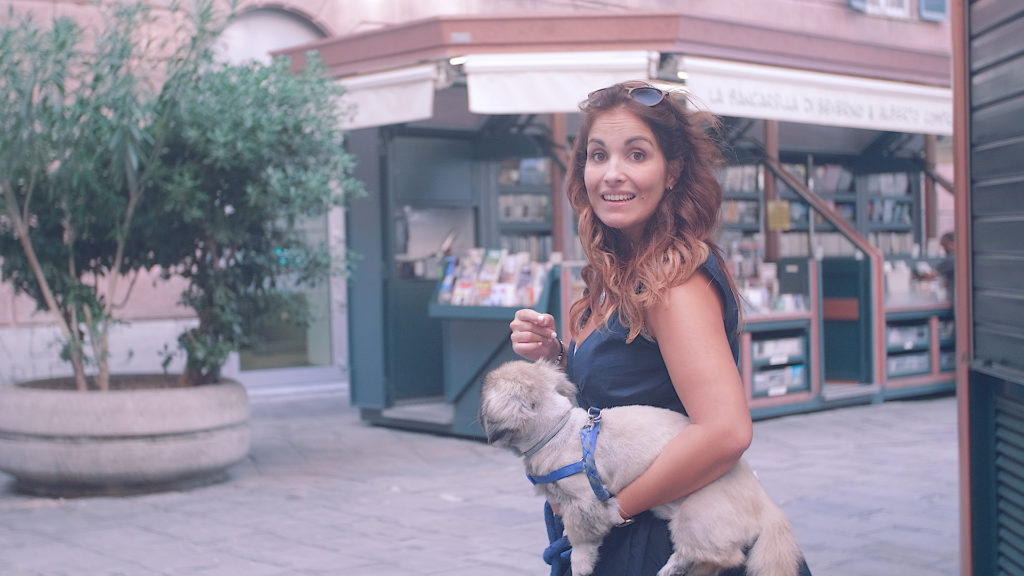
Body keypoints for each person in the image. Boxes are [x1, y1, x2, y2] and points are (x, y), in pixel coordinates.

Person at [509, 82, 811, 576]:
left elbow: (726, 431)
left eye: (636, 154)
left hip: (665, 536)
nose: (612, 174)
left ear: (671, 172)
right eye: (597, 155)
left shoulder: (674, 282)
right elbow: (637, 384)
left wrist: (610, 509)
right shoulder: (622, 267)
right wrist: (558, 354)